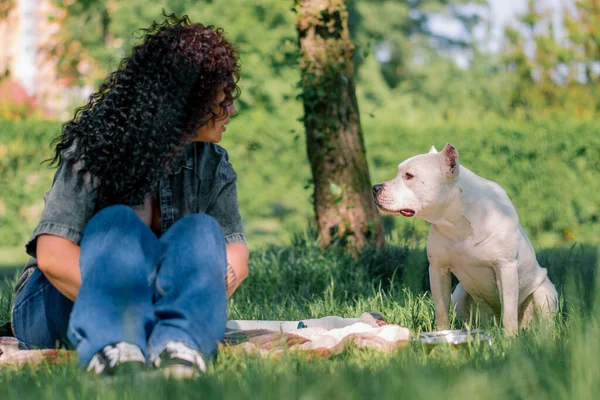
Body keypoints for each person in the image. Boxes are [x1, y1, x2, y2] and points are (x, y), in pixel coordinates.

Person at [10, 13, 249, 379]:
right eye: (223, 98)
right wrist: (143, 307)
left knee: (202, 231)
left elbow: (235, 257)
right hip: (57, 303)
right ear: (184, 100)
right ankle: (115, 347)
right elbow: (52, 257)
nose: (232, 109)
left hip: (152, 301)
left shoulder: (211, 163)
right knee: (117, 224)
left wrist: (182, 297)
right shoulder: (95, 150)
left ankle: (179, 350)